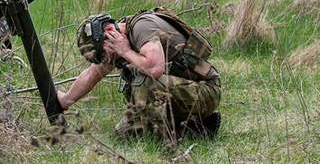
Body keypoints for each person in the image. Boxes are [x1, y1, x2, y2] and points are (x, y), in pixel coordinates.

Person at [57, 9, 222, 141]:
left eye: (102, 54)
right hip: (178, 92)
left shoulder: (141, 28)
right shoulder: (116, 40)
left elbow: (154, 68)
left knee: (145, 80)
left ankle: (172, 135)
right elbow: (90, 75)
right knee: (121, 138)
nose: (104, 60)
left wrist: (126, 51)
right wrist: (66, 100)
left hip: (205, 91)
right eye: (98, 58)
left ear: (108, 31)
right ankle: (196, 127)